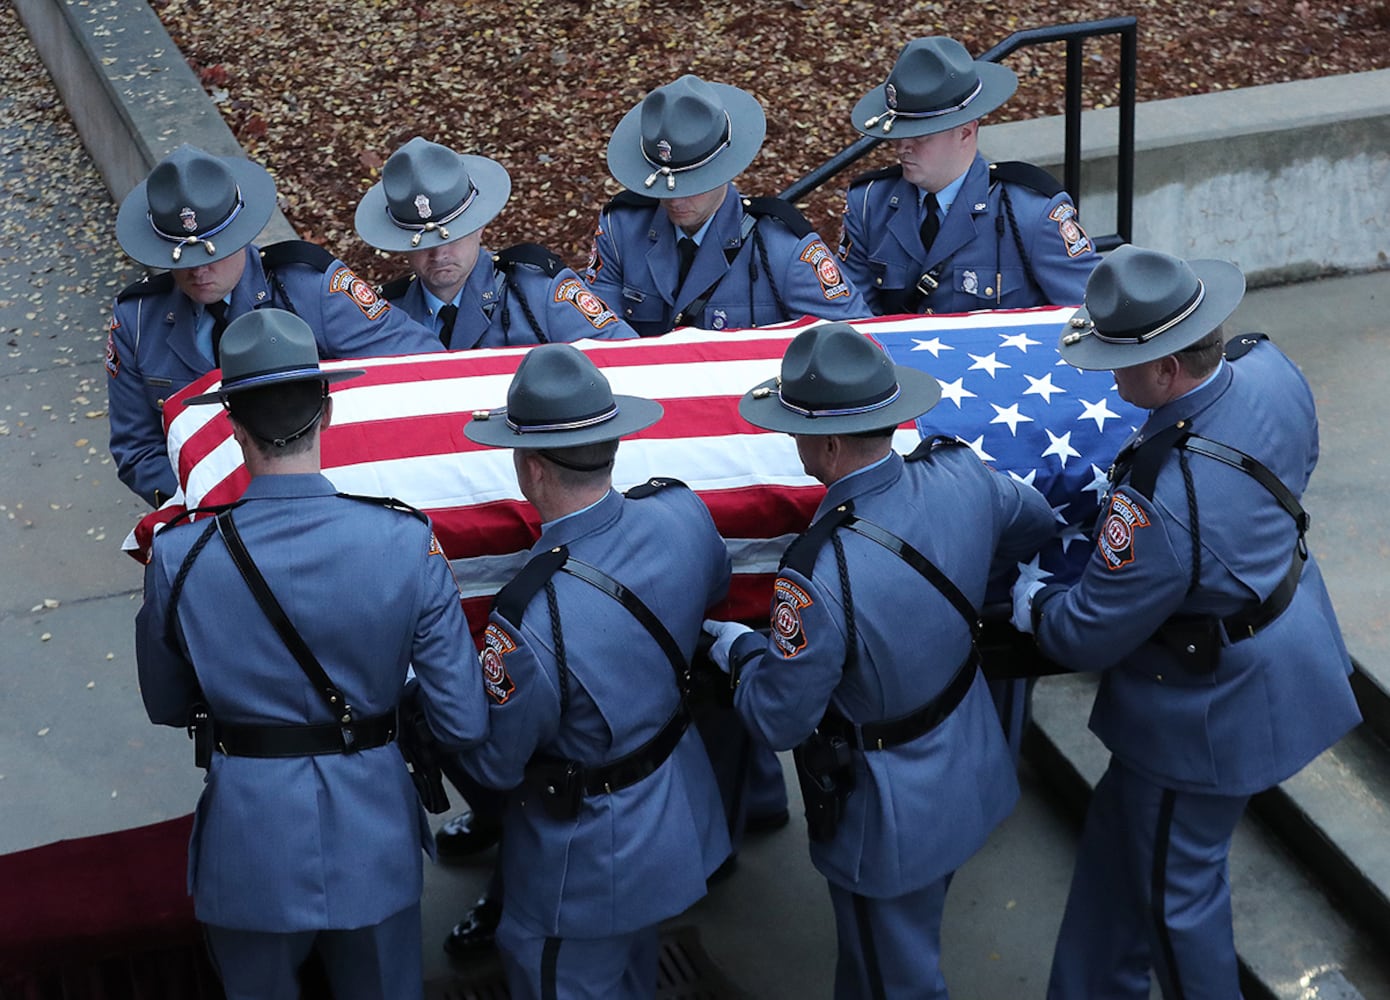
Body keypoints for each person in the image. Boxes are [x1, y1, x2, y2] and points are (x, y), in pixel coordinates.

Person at [1010, 245, 1362, 999]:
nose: (1109, 377)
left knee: (1177, 899)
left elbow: (1084, 632)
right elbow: (1300, 460)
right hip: (1283, 626)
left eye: (1118, 361)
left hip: (1204, 713)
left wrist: (1031, 602)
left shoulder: (1159, 504)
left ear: (1167, 369)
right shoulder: (1269, 368)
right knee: (1118, 841)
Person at [134, 309, 488, 999]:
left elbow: (165, 703)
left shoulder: (179, 553)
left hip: (249, 835)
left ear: (233, 425)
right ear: (326, 414)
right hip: (374, 828)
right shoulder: (403, 540)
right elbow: (464, 723)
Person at [702, 322, 1057, 999]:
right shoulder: (959, 473)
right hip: (969, 754)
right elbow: (1036, 520)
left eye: (794, 427)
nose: (790, 439)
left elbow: (779, 719)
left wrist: (742, 648)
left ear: (829, 444)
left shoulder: (818, 573)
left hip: (890, 809)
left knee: (892, 978)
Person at [454, 343, 731, 998]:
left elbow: (495, 764)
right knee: (633, 962)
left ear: (530, 468)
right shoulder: (682, 512)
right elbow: (716, 590)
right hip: (675, 801)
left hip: (589, 857)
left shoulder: (527, 617)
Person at [108, 144, 441, 508]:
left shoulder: (309, 289)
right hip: (204, 513)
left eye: (214, 252)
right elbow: (137, 449)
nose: (198, 270)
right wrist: (205, 503)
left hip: (326, 502)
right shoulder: (137, 320)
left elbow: (425, 367)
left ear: (242, 234)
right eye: (181, 257)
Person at [584, 73, 869, 335]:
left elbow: (855, 339)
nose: (676, 199)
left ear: (723, 171)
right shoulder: (621, 230)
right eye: (664, 187)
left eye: (694, 184)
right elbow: (597, 333)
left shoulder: (784, 249)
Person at [839, 36, 1101, 316]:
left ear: (965, 132)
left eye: (920, 137)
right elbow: (850, 313)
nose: (903, 148)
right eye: (899, 135)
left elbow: (1088, 311)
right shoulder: (869, 204)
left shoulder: (1031, 213)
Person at [355, 136, 639, 348]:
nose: (440, 253)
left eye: (453, 235)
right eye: (421, 243)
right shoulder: (386, 315)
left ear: (480, 227)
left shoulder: (541, 295)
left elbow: (626, 358)